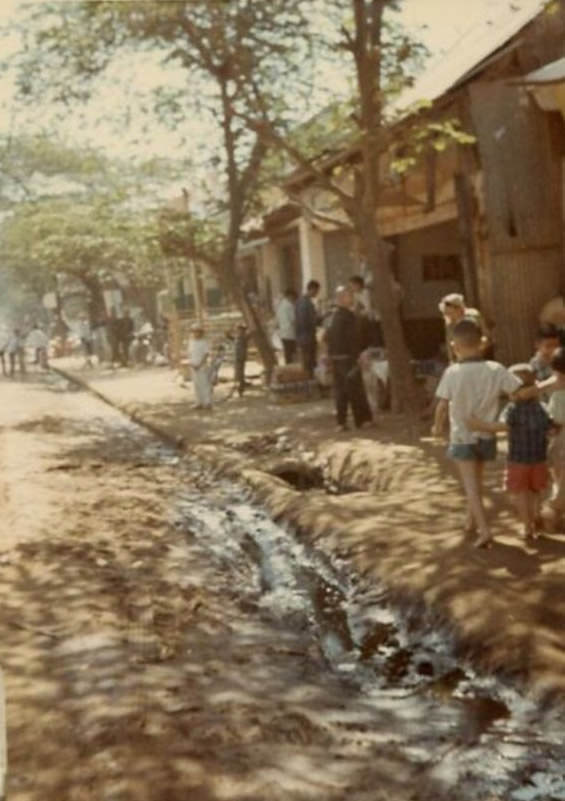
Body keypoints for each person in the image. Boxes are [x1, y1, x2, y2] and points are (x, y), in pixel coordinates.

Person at [432, 319, 522, 548]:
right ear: (482, 343)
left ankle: (485, 531)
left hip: (462, 436)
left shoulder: (452, 372)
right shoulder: (495, 369)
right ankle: (470, 521)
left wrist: (436, 427)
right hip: (486, 435)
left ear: (454, 346)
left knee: (471, 487)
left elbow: (442, 405)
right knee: (478, 480)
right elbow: (518, 391)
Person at [468, 364, 552, 542]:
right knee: (536, 490)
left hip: (518, 460)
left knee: (520, 492)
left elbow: (501, 426)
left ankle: (527, 525)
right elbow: (551, 428)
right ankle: (535, 514)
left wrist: (477, 425)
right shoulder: (542, 408)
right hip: (539, 459)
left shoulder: (511, 410)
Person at [326, 285, 373, 432]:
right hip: (348, 359)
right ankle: (362, 420)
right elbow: (353, 339)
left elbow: (327, 338)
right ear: (341, 299)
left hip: (336, 358)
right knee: (355, 390)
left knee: (341, 391)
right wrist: (359, 356)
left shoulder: (332, 317)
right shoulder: (348, 317)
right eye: (349, 296)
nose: (351, 298)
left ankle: (341, 422)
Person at [541, 348, 565, 528]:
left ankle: (554, 513)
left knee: (559, 484)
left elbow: (555, 422)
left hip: (561, 447)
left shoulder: (558, 396)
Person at [438, 293, 489, 363]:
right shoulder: (449, 322)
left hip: (478, 352)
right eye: (446, 313)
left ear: (459, 308)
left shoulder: (474, 315)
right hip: (461, 356)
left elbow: (485, 334)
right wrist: (451, 360)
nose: (448, 316)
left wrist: (481, 348)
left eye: (450, 312)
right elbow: (449, 341)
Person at [295, 280, 320, 378]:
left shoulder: (300, 301)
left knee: (307, 362)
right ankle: (310, 382)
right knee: (309, 362)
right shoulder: (306, 303)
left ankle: (309, 381)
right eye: (316, 291)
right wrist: (318, 320)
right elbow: (307, 321)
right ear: (312, 289)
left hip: (303, 336)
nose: (317, 293)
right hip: (307, 337)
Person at [188, 323, 212, 410]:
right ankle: (198, 402)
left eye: (197, 331)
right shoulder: (191, 342)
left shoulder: (203, 342)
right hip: (193, 365)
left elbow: (206, 355)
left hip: (201, 366)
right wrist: (191, 363)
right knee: (196, 385)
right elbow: (190, 354)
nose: (195, 333)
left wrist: (200, 364)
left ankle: (207, 402)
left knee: (204, 384)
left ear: (201, 333)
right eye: (194, 332)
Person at [276, 289, 297, 364]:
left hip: (283, 333)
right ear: (290, 296)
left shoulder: (280, 305)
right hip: (290, 333)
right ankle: (291, 370)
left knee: (287, 354)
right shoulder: (289, 306)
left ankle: (288, 369)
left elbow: (277, 320)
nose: (294, 300)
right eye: (294, 298)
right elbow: (294, 320)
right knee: (292, 355)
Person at [233, 323, 250, 397]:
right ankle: (240, 387)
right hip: (237, 357)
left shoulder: (244, 338)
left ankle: (240, 388)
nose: (239, 331)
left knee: (240, 373)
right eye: (238, 330)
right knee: (238, 373)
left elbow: (251, 334)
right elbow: (227, 335)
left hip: (241, 357)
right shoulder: (236, 338)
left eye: (241, 330)